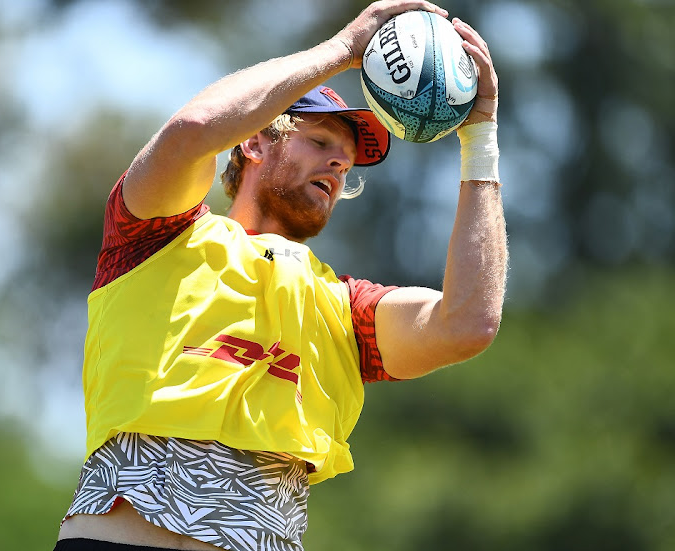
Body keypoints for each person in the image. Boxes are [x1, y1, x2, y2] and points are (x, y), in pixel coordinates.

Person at [54, 0, 506, 549]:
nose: (339, 165)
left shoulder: (344, 307)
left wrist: (479, 138)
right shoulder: (158, 235)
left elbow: (468, 323)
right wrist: (343, 49)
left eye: (346, 161)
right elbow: (194, 128)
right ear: (254, 142)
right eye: (319, 142)